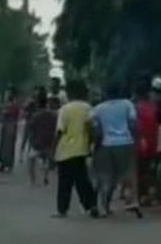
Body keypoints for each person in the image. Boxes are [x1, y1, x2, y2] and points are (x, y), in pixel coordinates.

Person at [91, 83, 142, 218]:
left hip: (106, 144)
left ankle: (103, 206)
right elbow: (133, 123)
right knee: (130, 173)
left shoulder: (98, 109)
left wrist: (95, 144)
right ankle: (134, 200)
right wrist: (137, 138)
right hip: (125, 142)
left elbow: (95, 128)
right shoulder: (127, 104)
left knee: (107, 176)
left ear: (105, 93)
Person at [52, 80, 98, 218]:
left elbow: (60, 131)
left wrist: (52, 149)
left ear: (69, 93)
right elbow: (91, 129)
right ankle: (91, 206)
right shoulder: (88, 108)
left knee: (64, 182)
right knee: (82, 180)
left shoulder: (64, 109)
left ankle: (62, 210)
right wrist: (90, 144)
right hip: (81, 150)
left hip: (64, 150)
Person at [134, 82, 161, 206]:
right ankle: (152, 195)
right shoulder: (154, 108)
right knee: (151, 171)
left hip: (140, 143)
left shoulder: (135, 108)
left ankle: (142, 196)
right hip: (154, 143)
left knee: (140, 171)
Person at [25, 88, 56, 186]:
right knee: (46, 160)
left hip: (38, 144)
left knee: (30, 160)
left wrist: (32, 141)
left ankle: (32, 180)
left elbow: (31, 129)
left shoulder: (35, 116)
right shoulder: (53, 115)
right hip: (49, 143)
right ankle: (45, 176)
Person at [0, 88, 19, 172]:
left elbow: (5, 113)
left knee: (8, 146)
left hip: (10, 125)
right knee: (3, 145)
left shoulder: (13, 104)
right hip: (6, 125)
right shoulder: (8, 104)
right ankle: (3, 164)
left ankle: (8, 164)